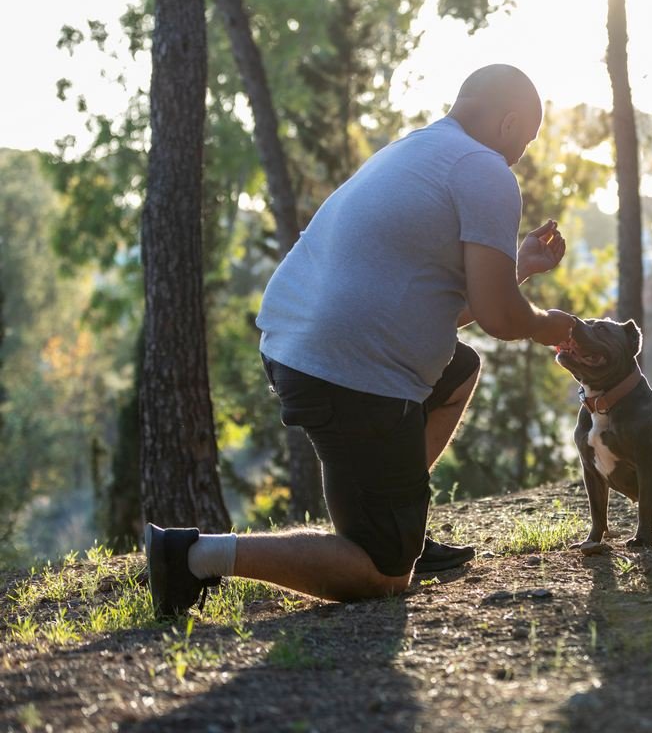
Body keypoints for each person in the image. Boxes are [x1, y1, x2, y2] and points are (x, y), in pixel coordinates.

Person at [144, 64, 575, 618]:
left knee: (458, 369)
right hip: (347, 372)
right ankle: (192, 555)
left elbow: (438, 305)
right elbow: (498, 317)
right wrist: (547, 325)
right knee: (383, 574)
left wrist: (517, 269)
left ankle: (401, 517)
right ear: (509, 121)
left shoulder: (416, 150)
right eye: (526, 140)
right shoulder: (484, 168)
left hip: (299, 347)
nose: (520, 155)